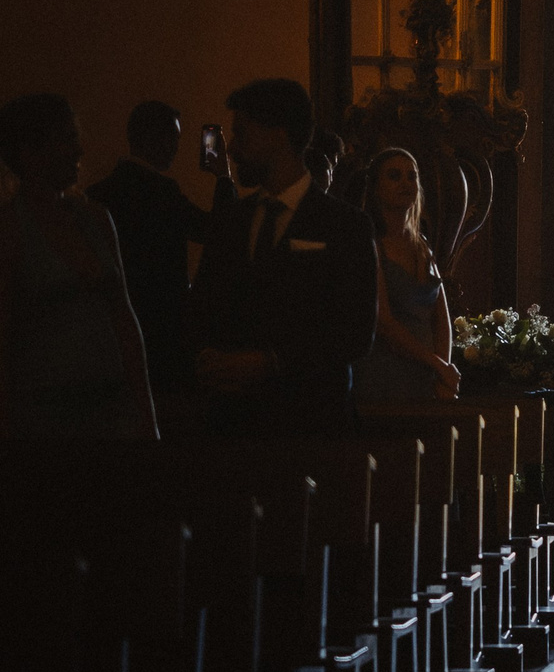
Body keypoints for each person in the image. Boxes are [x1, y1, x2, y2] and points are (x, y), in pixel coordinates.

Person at [0, 94, 157, 439]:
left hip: (113, 413)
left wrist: (147, 418)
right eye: (67, 139)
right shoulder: (5, 236)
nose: (80, 150)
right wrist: (7, 437)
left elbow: (124, 320)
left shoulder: (97, 220)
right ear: (30, 153)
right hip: (46, 422)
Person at [190, 78, 380, 437]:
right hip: (231, 425)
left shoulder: (345, 226)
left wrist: (270, 363)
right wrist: (211, 360)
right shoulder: (232, 220)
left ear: (278, 135)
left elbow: (354, 333)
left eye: (242, 135)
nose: (231, 150)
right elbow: (202, 305)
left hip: (310, 424)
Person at [87, 101, 228, 416]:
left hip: (109, 330)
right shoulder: (162, 193)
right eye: (174, 138)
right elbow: (214, 231)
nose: (177, 147)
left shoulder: (97, 195)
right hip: (165, 330)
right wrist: (223, 178)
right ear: (155, 139)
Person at [357, 147, 458, 406]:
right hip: (387, 372)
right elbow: (385, 323)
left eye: (412, 176)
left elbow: (441, 318)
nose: (405, 183)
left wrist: (443, 370)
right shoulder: (370, 243)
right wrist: (435, 363)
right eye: (394, 176)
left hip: (428, 372)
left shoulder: (422, 244)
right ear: (376, 188)